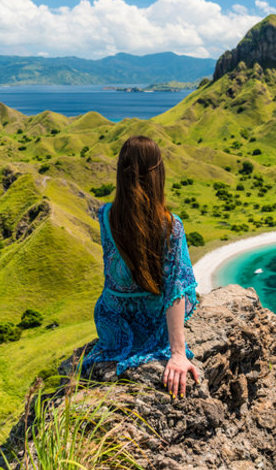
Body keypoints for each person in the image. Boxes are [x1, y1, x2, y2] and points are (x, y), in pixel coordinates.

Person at [83, 135, 200, 399]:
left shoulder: (105, 215)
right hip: (150, 321)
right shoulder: (170, 226)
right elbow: (176, 289)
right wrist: (178, 353)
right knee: (186, 286)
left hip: (111, 320)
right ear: (158, 174)